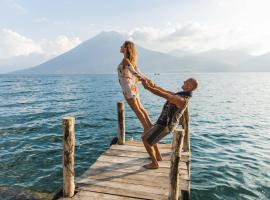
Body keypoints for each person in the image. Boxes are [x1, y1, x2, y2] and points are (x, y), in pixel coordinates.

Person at [117, 41, 163, 161]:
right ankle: (157, 154)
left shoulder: (126, 61)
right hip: (133, 90)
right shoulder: (131, 62)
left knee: (143, 121)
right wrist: (148, 80)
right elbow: (139, 74)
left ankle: (154, 158)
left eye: (122, 46)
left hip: (128, 91)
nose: (120, 47)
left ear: (127, 48)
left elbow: (136, 74)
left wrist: (146, 81)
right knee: (144, 115)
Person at [141, 78, 198, 169]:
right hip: (162, 123)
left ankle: (154, 163)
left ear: (189, 86)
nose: (183, 81)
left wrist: (147, 87)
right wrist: (152, 85)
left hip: (165, 126)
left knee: (145, 140)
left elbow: (162, 94)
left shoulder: (182, 99)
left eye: (186, 81)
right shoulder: (180, 95)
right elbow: (163, 90)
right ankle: (157, 157)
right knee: (148, 138)